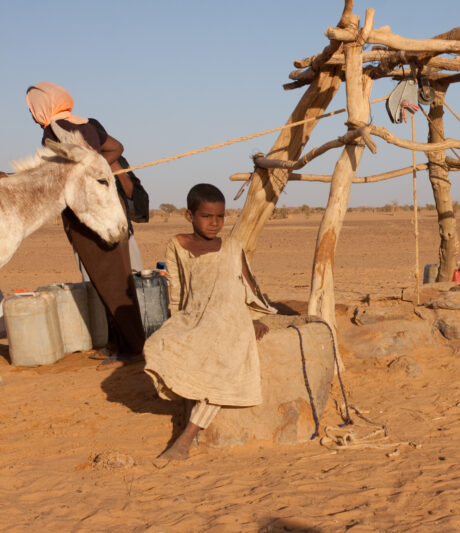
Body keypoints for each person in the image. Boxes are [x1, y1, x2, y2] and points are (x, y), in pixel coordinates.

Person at [144, 184, 276, 460]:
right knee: (158, 345)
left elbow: (248, 287)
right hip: (195, 316)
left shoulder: (231, 247)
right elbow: (178, 289)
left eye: (220, 217)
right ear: (189, 216)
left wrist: (253, 319)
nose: (215, 223)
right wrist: (178, 323)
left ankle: (186, 438)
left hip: (230, 319)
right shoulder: (177, 244)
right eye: (207, 216)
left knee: (223, 364)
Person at [25, 81, 146, 360]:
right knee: (115, 281)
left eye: (33, 108)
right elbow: (116, 147)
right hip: (108, 212)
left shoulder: (53, 131)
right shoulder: (86, 123)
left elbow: (54, 176)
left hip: (88, 219)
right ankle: (120, 345)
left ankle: (132, 350)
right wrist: (97, 167)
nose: (32, 114)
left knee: (110, 284)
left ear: (43, 107)